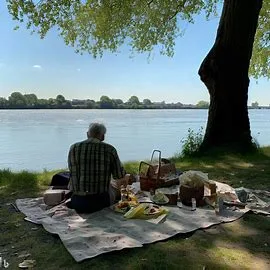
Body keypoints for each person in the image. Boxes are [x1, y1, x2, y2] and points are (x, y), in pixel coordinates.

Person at [67, 122, 126, 213]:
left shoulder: (73, 148)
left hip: (77, 202)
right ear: (103, 136)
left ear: (87, 134)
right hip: (100, 203)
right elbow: (119, 175)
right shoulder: (110, 149)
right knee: (115, 186)